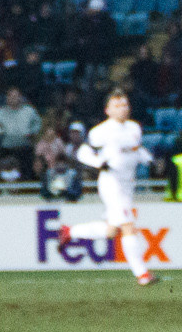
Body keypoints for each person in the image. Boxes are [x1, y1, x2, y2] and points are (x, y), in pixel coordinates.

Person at [57, 90, 160, 286]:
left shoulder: (134, 128)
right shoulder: (101, 132)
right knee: (128, 225)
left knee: (112, 231)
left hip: (128, 183)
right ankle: (142, 274)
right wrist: (98, 163)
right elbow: (83, 152)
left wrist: (149, 160)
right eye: (117, 106)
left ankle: (70, 231)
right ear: (108, 110)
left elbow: (136, 150)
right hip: (111, 183)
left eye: (125, 105)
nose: (123, 109)